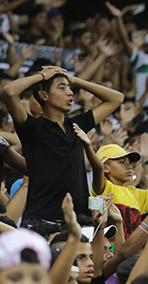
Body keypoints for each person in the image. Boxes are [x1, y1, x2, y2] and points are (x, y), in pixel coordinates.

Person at [0, 65, 123, 222]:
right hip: (42, 220)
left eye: (69, 88)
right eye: (61, 87)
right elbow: (8, 91)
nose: (70, 92)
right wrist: (42, 76)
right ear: (44, 95)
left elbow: (117, 98)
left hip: (79, 220)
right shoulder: (32, 127)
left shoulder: (76, 126)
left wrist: (75, 80)